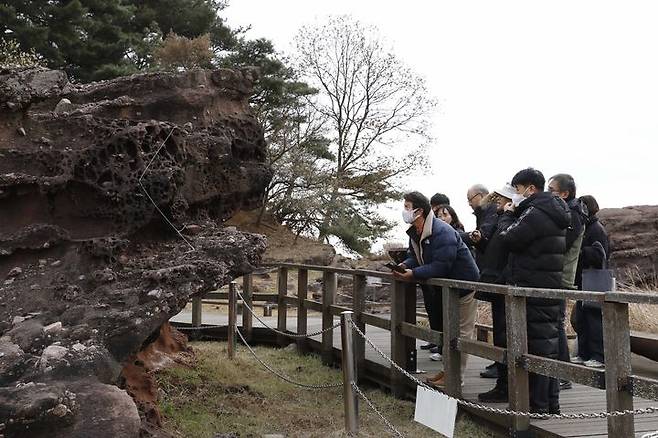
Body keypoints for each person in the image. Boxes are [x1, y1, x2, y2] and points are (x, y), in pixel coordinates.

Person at [499, 168, 570, 415]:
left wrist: (507, 216)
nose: (515, 196)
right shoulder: (550, 210)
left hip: (533, 285)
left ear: (530, 189)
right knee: (545, 345)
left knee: (537, 347)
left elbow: (509, 239)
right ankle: (549, 405)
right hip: (547, 285)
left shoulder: (536, 213)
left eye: (517, 190)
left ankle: (538, 407)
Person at [395, 192, 480, 387]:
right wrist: (405, 265)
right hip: (446, 289)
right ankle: (447, 371)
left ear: (419, 210)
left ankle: (455, 377)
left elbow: (443, 265)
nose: (405, 211)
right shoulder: (415, 231)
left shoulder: (443, 231)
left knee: (461, 334)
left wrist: (413, 274)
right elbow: (414, 257)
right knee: (449, 331)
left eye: (408, 207)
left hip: (464, 286)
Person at [472, 184, 517, 402]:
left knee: (506, 336)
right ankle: (503, 384)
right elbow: (495, 249)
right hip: (498, 282)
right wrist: (481, 242)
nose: (497, 200)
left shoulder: (511, 218)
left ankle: (507, 387)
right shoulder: (501, 218)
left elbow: (509, 248)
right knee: (501, 336)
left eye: (501, 197)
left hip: (506, 284)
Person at [547, 174, 587, 390]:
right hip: (555, 275)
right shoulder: (566, 211)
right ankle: (560, 373)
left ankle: (563, 374)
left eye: (551, 189)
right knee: (554, 324)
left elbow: (561, 244)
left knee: (556, 324)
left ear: (565, 193)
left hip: (559, 277)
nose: (548, 192)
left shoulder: (573, 214)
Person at [572, 195, 609, 368]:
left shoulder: (596, 228)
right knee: (582, 319)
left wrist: (580, 252)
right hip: (584, 280)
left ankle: (599, 356)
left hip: (594, 280)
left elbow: (600, 255)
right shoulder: (587, 226)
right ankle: (584, 353)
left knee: (594, 319)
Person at [462, 184, 499, 269]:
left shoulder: (493, 210)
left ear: (480, 196)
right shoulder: (483, 213)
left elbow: (483, 235)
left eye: (470, 199)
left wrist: (455, 236)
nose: (469, 204)